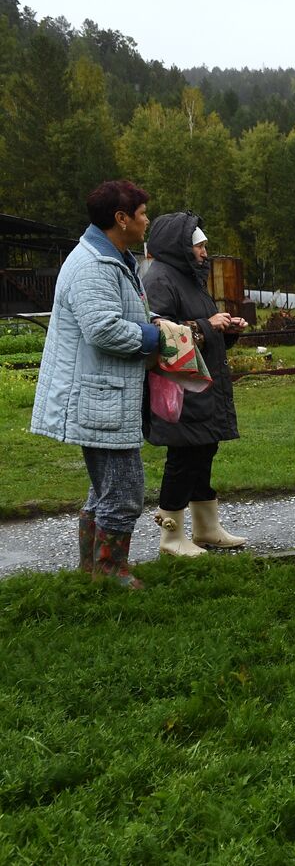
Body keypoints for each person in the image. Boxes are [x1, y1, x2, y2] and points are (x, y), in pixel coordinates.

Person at [31, 180, 161, 589]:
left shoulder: (115, 257)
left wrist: (154, 322)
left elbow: (126, 310)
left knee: (106, 487)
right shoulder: (91, 265)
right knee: (123, 490)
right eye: (142, 214)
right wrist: (159, 339)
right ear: (121, 219)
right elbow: (103, 329)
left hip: (106, 393)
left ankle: (93, 570)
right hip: (99, 395)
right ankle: (109, 572)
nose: (146, 220)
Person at [142, 211, 248, 557]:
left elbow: (201, 333)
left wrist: (226, 330)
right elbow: (160, 333)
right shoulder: (160, 279)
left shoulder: (189, 278)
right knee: (184, 456)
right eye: (199, 246)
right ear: (180, 248)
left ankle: (206, 529)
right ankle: (171, 536)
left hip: (202, 385)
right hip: (180, 390)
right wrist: (206, 322)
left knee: (204, 450)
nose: (205, 252)